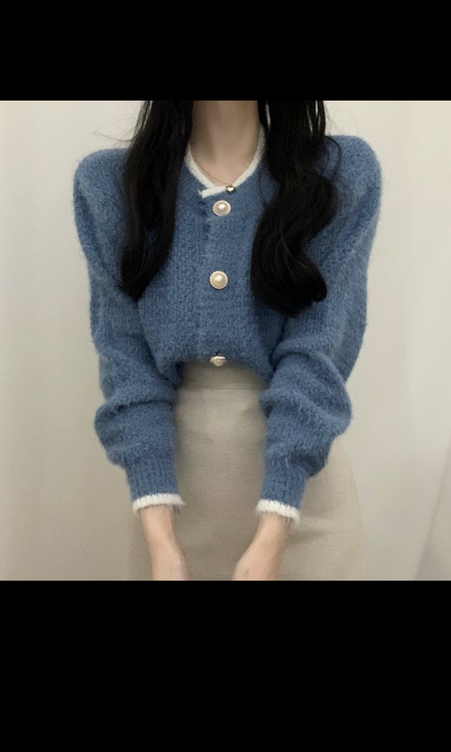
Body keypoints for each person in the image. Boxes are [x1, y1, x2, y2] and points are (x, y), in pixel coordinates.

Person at [73, 101, 383, 580]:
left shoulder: (338, 177)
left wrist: (273, 532)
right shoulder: (113, 185)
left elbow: (319, 350)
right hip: (167, 508)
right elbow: (125, 359)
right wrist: (161, 541)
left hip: (303, 509)